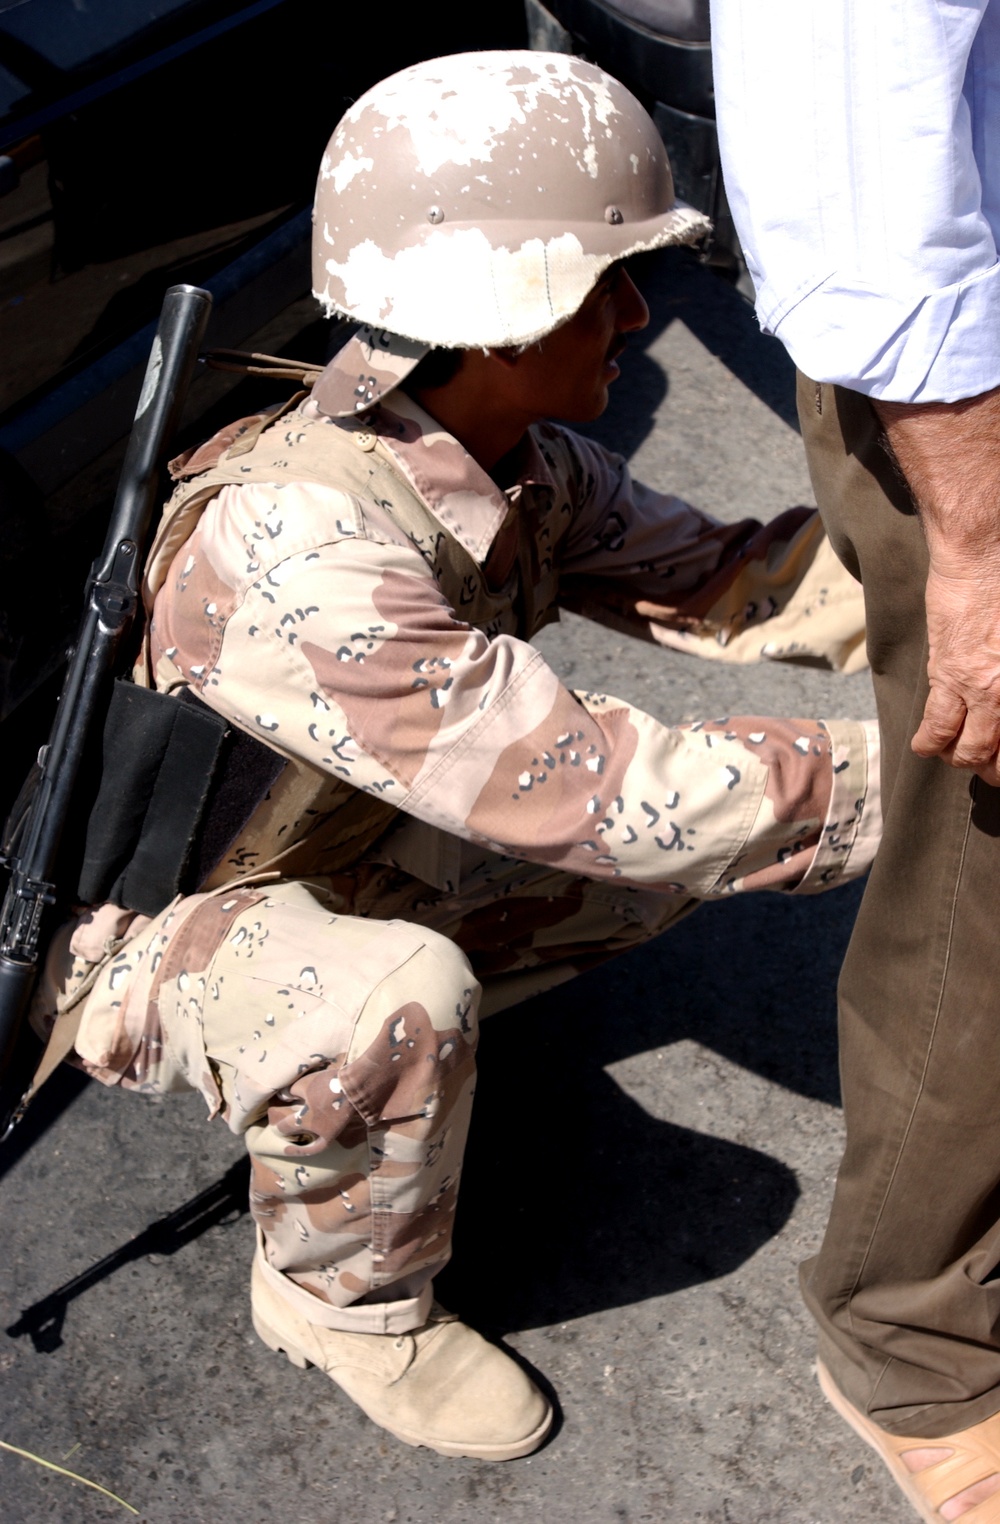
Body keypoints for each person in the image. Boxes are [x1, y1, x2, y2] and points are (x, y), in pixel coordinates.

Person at [32, 50, 878, 1463]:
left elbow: (736, 584)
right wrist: (914, 777)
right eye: (600, 286)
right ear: (496, 319)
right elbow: (621, 805)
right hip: (144, 933)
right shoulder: (304, 546)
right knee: (395, 1000)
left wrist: (951, 596)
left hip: (327, 839)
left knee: (651, 860)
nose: (633, 313)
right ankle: (339, 1301)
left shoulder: (508, 451)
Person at [710, 2, 1000, 1518]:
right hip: (979, 409)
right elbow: (854, 115)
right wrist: (978, 530)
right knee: (984, 887)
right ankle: (911, 1337)